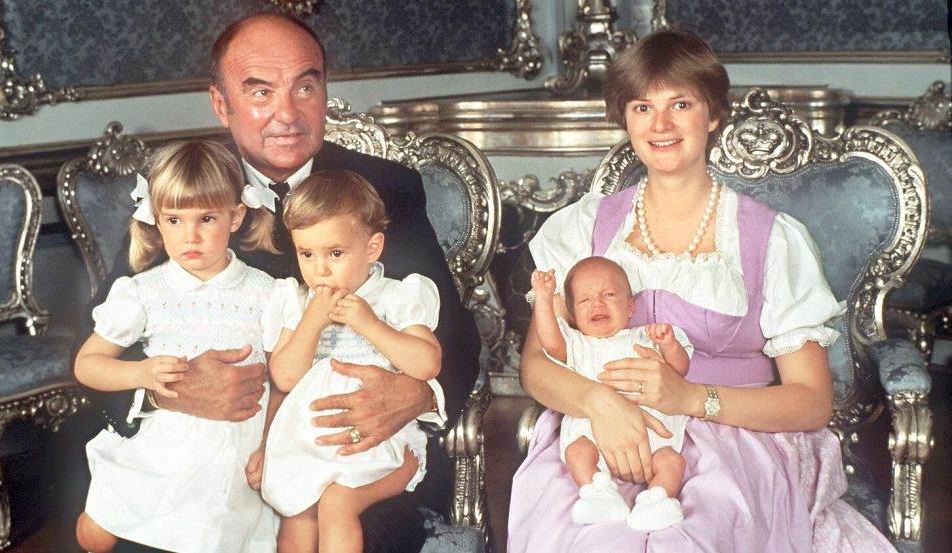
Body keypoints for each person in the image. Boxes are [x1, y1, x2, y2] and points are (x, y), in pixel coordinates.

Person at [78, 12, 480, 553]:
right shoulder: (188, 187)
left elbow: (457, 337)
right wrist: (161, 392)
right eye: (260, 92)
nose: (287, 114)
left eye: (304, 87)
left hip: (354, 457)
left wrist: (413, 395)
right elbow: (99, 347)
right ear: (221, 104)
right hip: (203, 463)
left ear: (324, 91)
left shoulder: (385, 186)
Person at [508, 28, 897, 552]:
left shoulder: (773, 239)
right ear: (625, 118)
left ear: (713, 116)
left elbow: (811, 403)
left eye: (681, 104)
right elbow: (537, 365)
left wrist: (691, 397)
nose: (661, 125)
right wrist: (600, 402)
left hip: (736, 436)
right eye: (642, 107)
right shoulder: (581, 228)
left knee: (684, 541)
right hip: (598, 431)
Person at [73, 140, 278, 553]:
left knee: (209, 533)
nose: (191, 236)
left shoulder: (267, 292)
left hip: (233, 443)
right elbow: (88, 365)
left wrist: (271, 441)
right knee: (93, 535)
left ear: (236, 216)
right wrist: (141, 373)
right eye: (174, 219)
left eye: (206, 218)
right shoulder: (143, 292)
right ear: (155, 221)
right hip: (165, 440)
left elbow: (284, 377)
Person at [248, 169, 442, 553]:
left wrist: (370, 324)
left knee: (337, 502)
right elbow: (285, 377)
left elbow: (427, 364)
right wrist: (312, 323)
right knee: (296, 510)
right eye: (307, 254)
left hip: (378, 441)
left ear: (372, 248)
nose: (319, 269)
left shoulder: (395, 297)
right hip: (310, 439)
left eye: (335, 253)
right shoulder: (298, 302)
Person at [530, 257, 692, 531]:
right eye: (584, 300)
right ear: (572, 314)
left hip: (653, 432)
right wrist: (544, 299)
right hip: (593, 429)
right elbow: (549, 341)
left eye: (608, 294)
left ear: (630, 306)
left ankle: (658, 500)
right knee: (577, 452)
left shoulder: (645, 337)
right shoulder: (578, 343)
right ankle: (598, 493)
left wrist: (669, 345)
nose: (597, 303)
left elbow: (680, 370)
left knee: (672, 461)